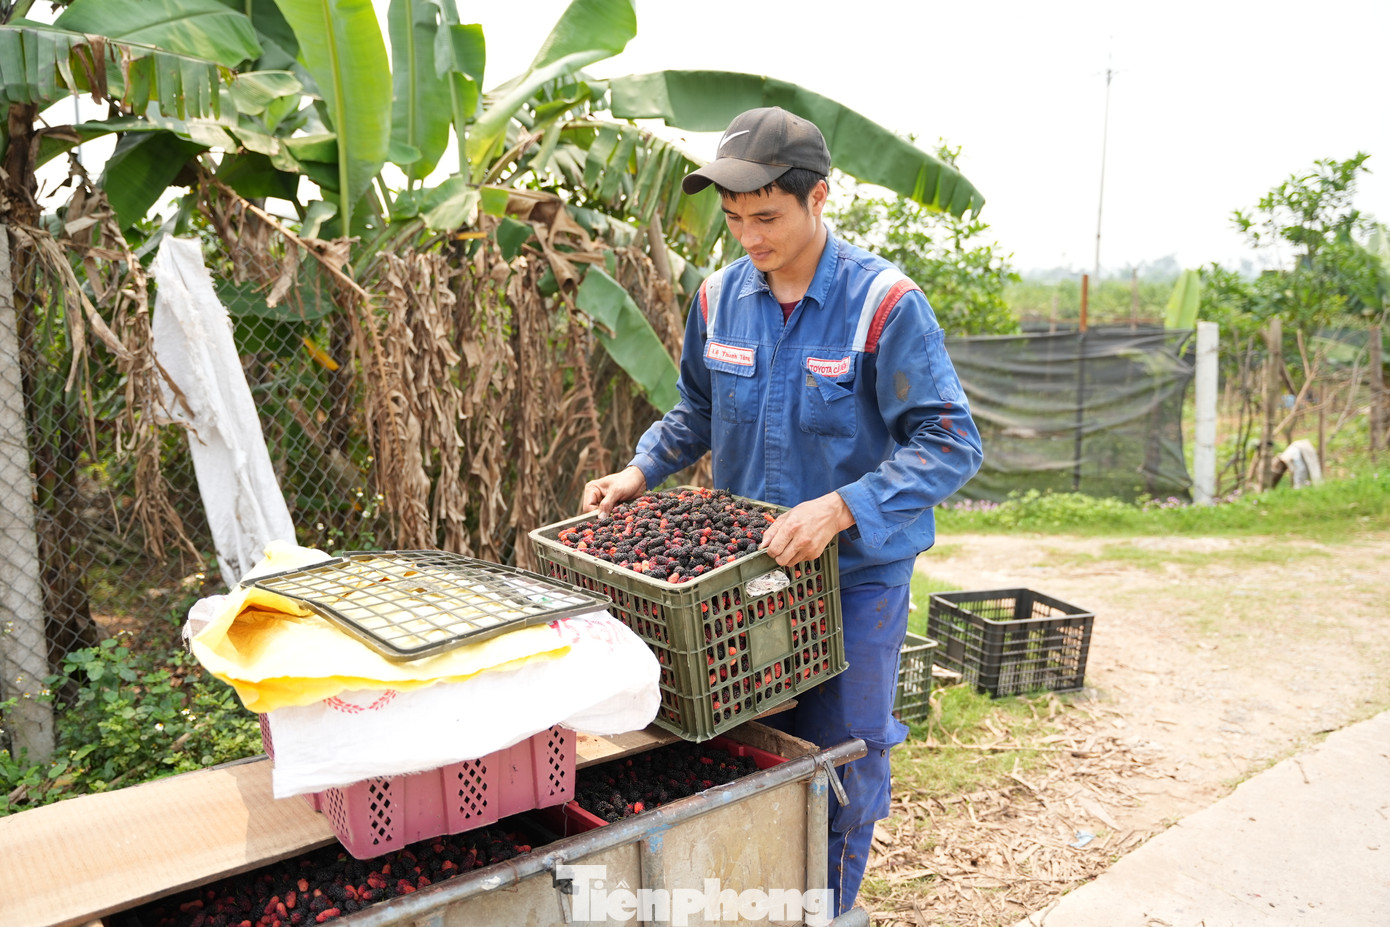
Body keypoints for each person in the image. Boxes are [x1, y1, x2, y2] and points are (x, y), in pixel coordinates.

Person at [581, 106, 983, 916]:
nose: (748, 237)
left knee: (844, 753)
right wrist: (638, 469)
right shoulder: (718, 299)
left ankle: (829, 906)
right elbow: (695, 409)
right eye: (733, 218)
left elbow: (950, 441)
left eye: (766, 216)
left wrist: (840, 507)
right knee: (741, 748)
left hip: (852, 580)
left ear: (819, 198)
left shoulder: (883, 304)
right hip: (742, 582)